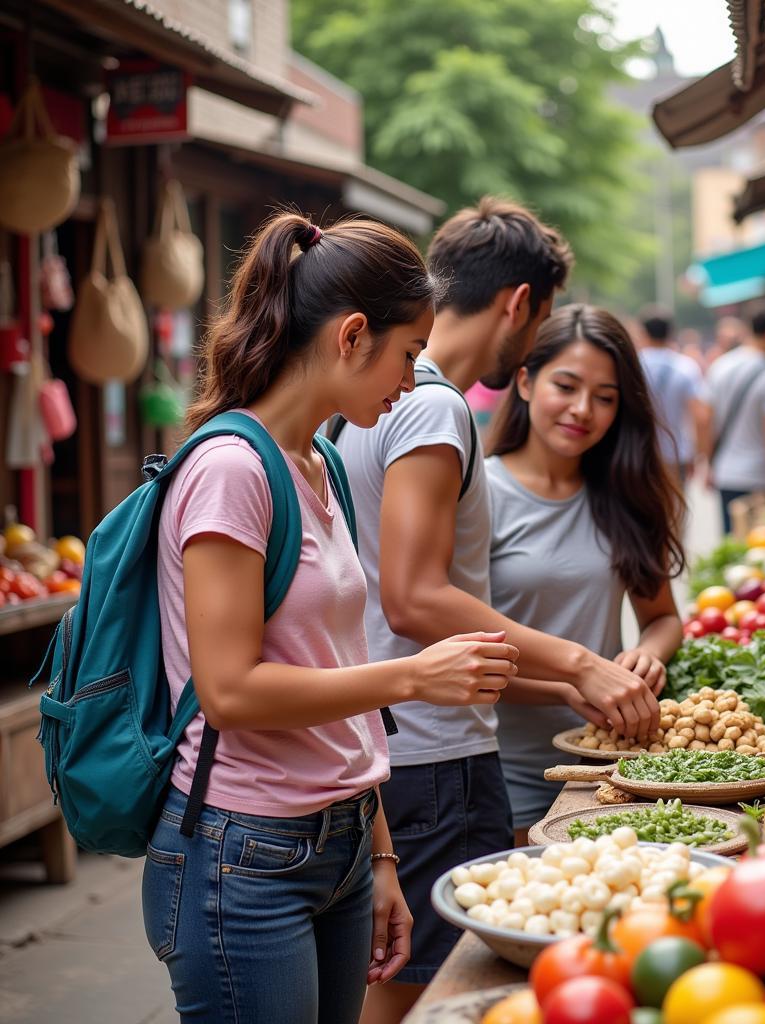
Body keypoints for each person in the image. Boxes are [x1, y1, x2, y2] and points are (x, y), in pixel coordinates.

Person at [143, 212, 520, 1024]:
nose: (413, 380)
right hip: (243, 856)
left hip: (342, 842)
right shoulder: (230, 470)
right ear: (353, 335)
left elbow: (335, 675)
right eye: (408, 353)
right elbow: (230, 691)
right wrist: (416, 674)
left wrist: (378, 852)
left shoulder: (320, 465)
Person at [338, 198, 663, 1023]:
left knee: (392, 987)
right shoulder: (434, 405)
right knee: (440, 999)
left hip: (391, 749)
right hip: (434, 756)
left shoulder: (372, 400)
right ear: (521, 305)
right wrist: (581, 663)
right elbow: (414, 597)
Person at [488, 304, 685, 843]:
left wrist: (649, 653)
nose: (582, 410)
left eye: (605, 398)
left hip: (611, 762)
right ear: (526, 382)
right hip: (502, 770)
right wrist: (566, 684)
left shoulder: (624, 496)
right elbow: (456, 646)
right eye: (567, 386)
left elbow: (663, 617)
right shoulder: (478, 494)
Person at [702, 302, 765, 535]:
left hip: (726, 474)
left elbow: (706, 422)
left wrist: (709, 465)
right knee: (758, 549)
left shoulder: (720, 366)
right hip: (759, 479)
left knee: (733, 547)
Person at [634, 306, 708, 481]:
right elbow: (701, 417)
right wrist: (698, 455)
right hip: (677, 454)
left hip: (638, 453)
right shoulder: (686, 366)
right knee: (674, 507)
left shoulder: (632, 364)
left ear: (643, 332)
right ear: (670, 333)